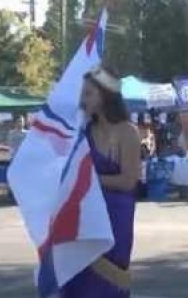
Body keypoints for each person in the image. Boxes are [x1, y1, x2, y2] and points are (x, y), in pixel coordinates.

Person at [59, 65, 141, 297]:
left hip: (116, 218)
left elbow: (128, 181)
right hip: (84, 217)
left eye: (88, 93)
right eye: (82, 93)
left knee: (106, 286)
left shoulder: (128, 132)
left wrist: (88, 179)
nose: (82, 99)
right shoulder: (83, 132)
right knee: (80, 283)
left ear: (105, 95)